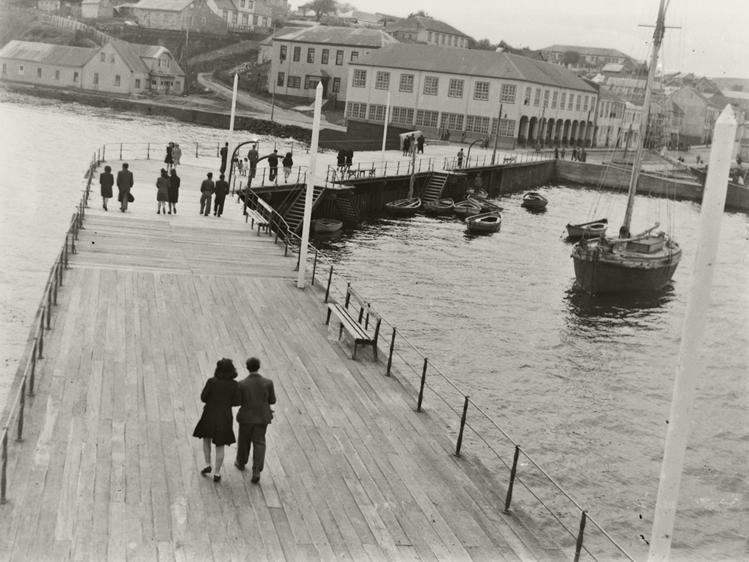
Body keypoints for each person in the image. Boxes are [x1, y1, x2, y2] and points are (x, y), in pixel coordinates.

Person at [193, 358, 240, 482]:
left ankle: (207, 464)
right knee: (220, 445)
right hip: (224, 417)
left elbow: (203, 397)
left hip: (209, 414)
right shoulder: (234, 384)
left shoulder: (212, 382)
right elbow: (236, 401)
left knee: (206, 439)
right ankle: (217, 472)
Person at [234, 357, 276, 484]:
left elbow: (238, 401)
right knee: (259, 442)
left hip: (246, 418)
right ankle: (257, 470)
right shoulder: (268, 383)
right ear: (258, 367)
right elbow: (272, 400)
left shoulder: (241, 384)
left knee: (243, 440)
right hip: (262, 417)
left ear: (247, 368)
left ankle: (241, 462)